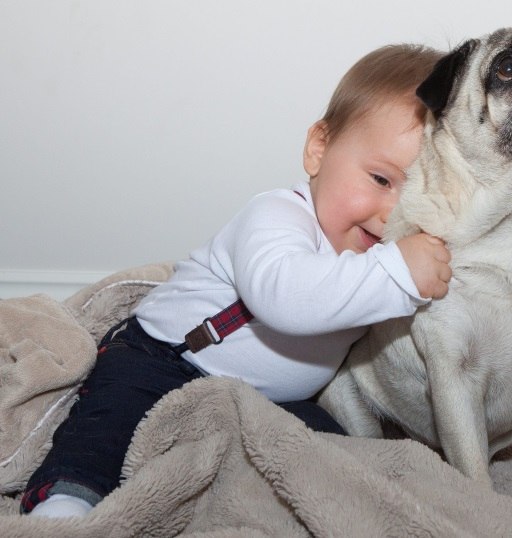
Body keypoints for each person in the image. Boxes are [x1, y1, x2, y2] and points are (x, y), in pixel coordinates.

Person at [21, 43, 449, 518]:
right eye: (381, 180)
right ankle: (65, 504)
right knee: (105, 425)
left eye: (426, 193)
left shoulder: (381, 257)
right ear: (319, 149)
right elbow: (288, 299)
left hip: (267, 400)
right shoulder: (277, 216)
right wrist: (400, 272)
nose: (395, 213)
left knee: (333, 454)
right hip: (161, 359)